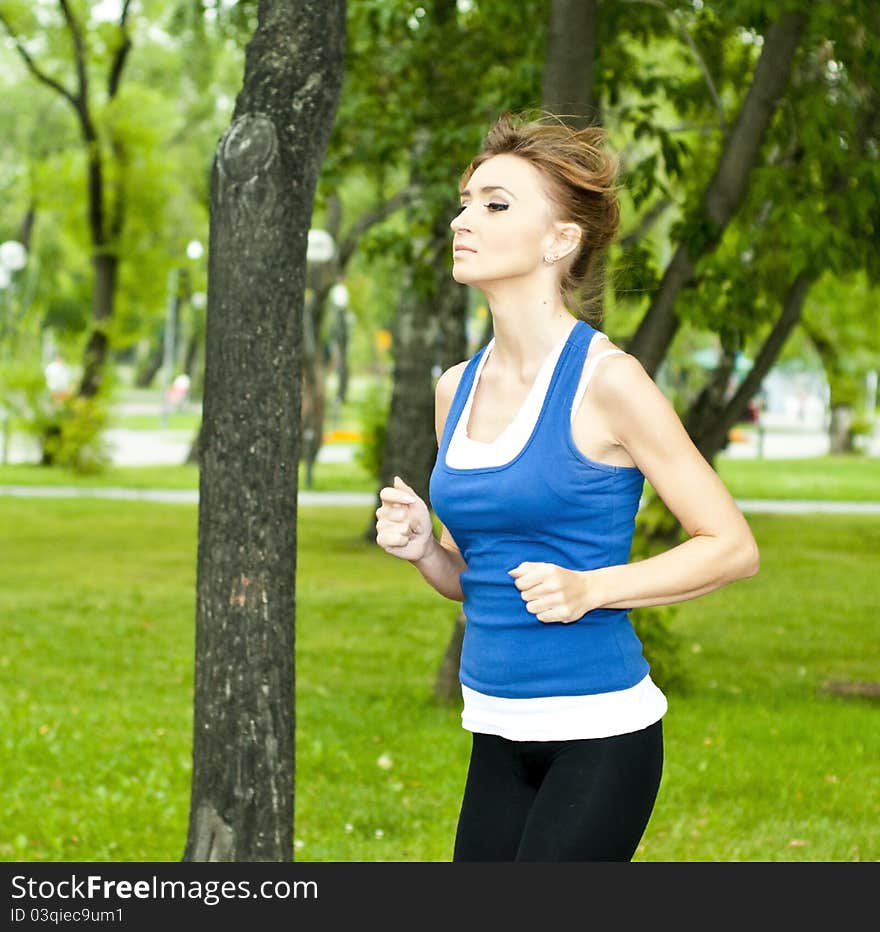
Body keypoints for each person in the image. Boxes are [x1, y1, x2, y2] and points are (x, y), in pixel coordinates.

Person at [374, 110, 760, 862]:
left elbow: (732, 547)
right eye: (464, 200)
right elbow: (472, 580)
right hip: (495, 730)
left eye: (495, 203)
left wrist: (592, 588)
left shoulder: (609, 383)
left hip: (600, 736)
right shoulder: (456, 388)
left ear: (560, 240)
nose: (464, 218)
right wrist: (426, 549)